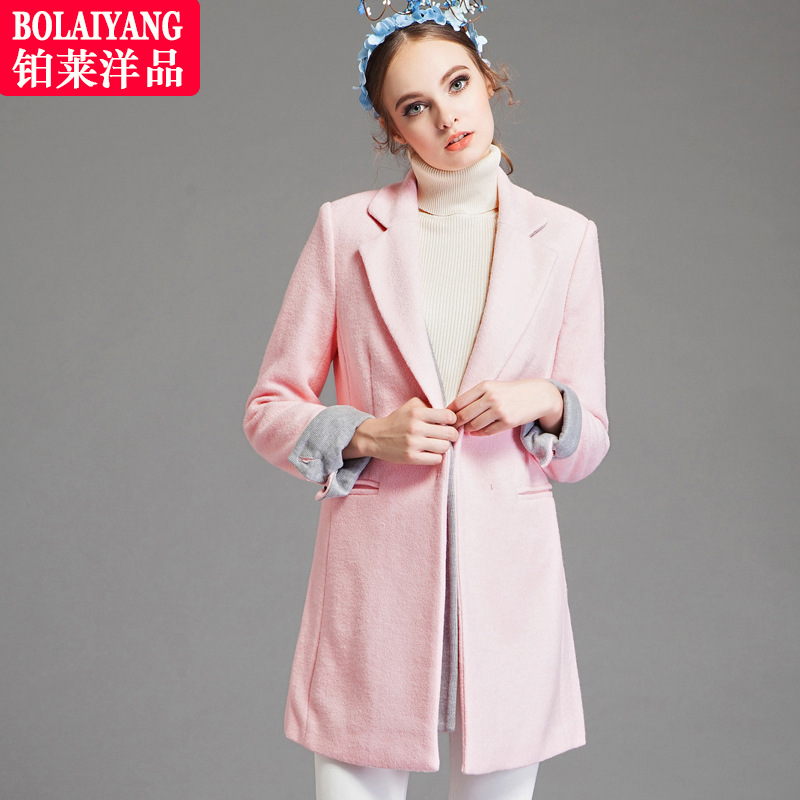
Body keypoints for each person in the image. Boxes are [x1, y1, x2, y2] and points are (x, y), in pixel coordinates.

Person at [243, 2, 609, 798]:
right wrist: (368, 433)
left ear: (489, 81)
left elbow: (588, 446)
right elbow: (269, 408)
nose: (447, 117)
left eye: (458, 84)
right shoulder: (346, 231)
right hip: (371, 590)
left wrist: (546, 398)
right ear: (391, 129)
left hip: (510, 591)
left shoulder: (566, 238)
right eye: (416, 106)